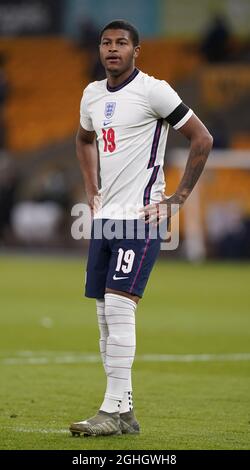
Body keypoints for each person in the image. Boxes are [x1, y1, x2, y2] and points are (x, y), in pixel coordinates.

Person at [70, 20, 213, 437]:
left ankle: (111, 411)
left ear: (137, 50)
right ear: (99, 50)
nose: (112, 49)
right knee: (103, 316)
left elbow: (201, 138)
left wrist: (177, 201)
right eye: (106, 43)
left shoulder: (154, 90)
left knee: (118, 307)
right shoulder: (92, 95)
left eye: (121, 43)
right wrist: (90, 186)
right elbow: (82, 139)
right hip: (104, 220)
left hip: (141, 218)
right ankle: (125, 411)